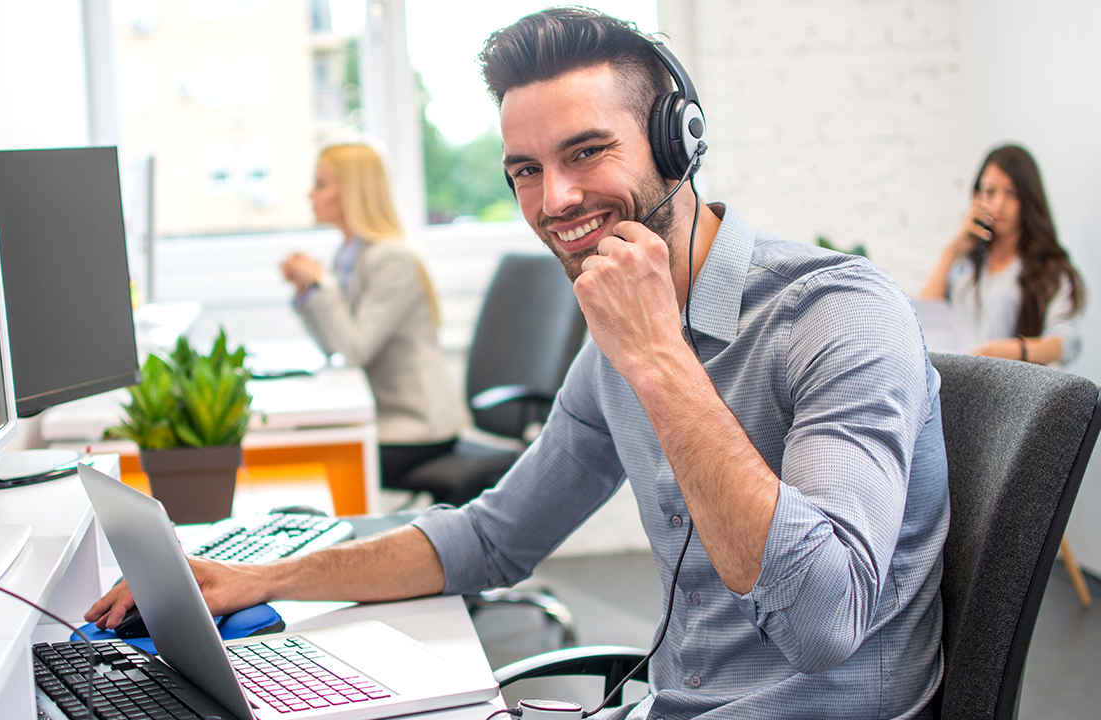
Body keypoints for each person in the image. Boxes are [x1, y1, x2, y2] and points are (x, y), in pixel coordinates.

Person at [90, 8, 948, 718]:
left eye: (586, 151)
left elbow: (825, 620)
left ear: (676, 143)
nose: (557, 200)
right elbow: (493, 538)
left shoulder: (838, 315)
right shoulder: (617, 333)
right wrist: (258, 579)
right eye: (526, 171)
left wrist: (659, 356)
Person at [279, 142, 465, 489]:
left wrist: (320, 285)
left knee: (314, 458)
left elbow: (353, 350)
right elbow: (335, 346)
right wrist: (308, 292)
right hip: (387, 421)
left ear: (351, 190)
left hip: (418, 429)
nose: (310, 194)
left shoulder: (391, 259)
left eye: (320, 184)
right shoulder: (351, 255)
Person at [920, 144, 1084, 365]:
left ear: (1027, 199)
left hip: (1013, 387)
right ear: (976, 197)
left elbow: (1066, 342)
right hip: (960, 384)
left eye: (1011, 193)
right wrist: (951, 251)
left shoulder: (1049, 269)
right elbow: (927, 318)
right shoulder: (965, 262)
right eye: (990, 192)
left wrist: (1015, 351)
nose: (998, 204)